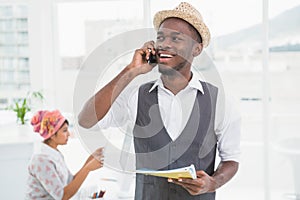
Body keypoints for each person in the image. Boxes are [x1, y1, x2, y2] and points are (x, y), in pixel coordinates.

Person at [78, 2, 241, 200]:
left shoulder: (220, 102)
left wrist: (213, 182)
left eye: (176, 38)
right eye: (160, 37)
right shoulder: (136, 95)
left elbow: (231, 159)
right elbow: (86, 120)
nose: (165, 44)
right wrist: (131, 71)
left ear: (196, 49)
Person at [26, 110, 104, 200]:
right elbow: (62, 196)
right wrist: (87, 169)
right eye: (64, 130)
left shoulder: (54, 153)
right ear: (51, 134)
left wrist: (91, 158)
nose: (69, 134)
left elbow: (70, 181)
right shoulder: (41, 160)